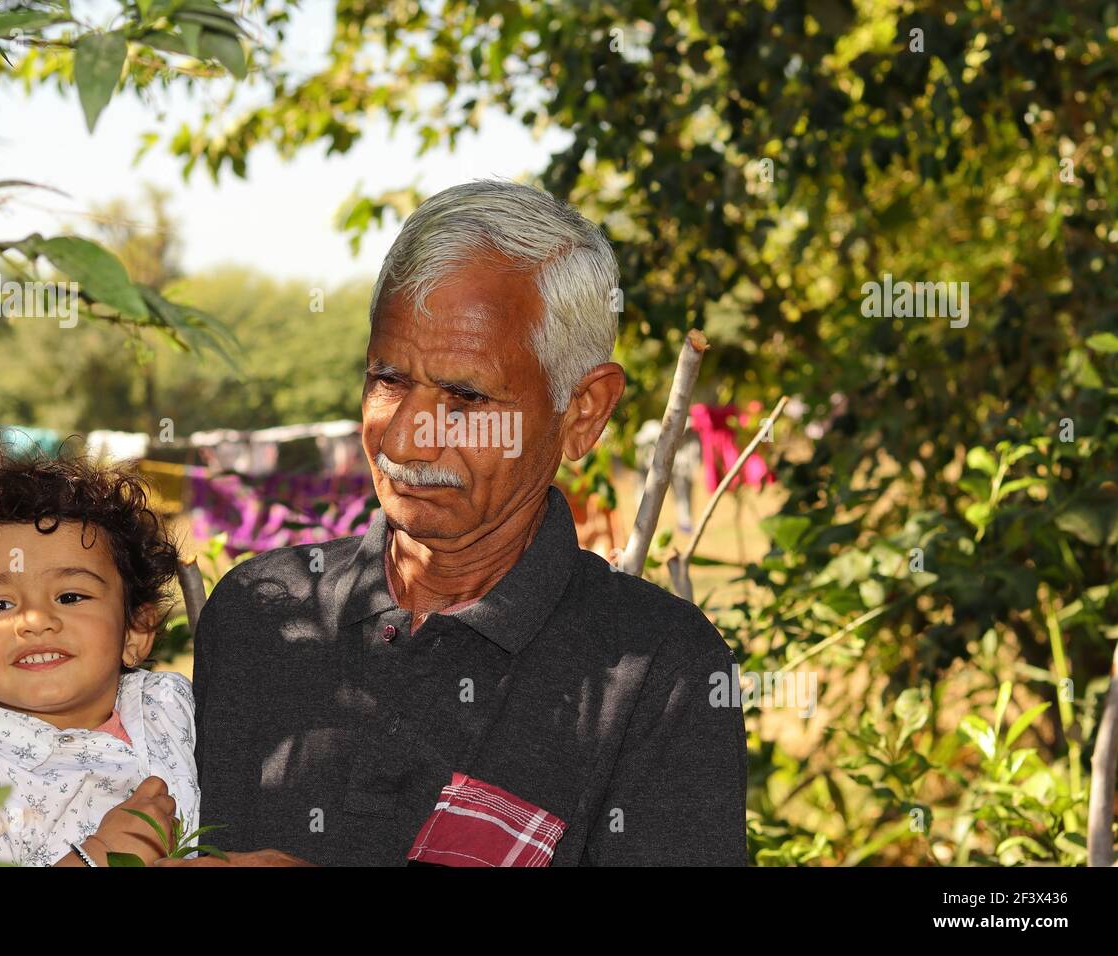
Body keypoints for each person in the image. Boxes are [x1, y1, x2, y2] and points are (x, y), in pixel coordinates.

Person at [169, 179, 747, 867]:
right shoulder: (261, 615)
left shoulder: (657, 673)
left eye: (465, 397)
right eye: (389, 379)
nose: (408, 440)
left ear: (584, 410)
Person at [0, 450, 199, 866]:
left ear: (135, 631)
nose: (35, 620)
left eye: (70, 596)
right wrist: (98, 858)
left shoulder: (170, 705)